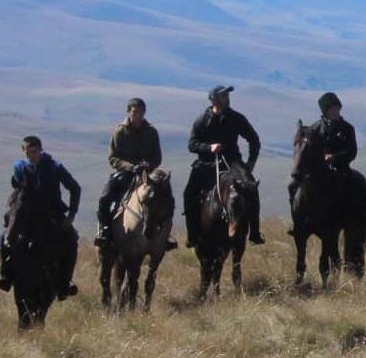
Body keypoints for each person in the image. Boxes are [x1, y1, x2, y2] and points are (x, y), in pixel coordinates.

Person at [0, 136, 81, 298]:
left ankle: (65, 282)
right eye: (27, 152)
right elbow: (18, 187)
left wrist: (71, 214)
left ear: (40, 150)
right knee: (5, 236)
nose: (31, 156)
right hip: (26, 211)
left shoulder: (54, 167)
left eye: (34, 152)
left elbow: (75, 188)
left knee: (71, 239)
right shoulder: (19, 167)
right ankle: (5, 275)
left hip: (51, 211)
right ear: (23, 151)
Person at [184, 85, 262, 248]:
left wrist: (249, 165)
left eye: (227, 95)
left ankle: (254, 232)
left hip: (232, 163)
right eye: (224, 95)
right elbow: (192, 144)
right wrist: (208, 148)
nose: (227, 98)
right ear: (214, 99)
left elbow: (254, 140)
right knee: (189, 193)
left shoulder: (236, 118)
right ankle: (192, 235)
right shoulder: (202, 120)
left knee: (251, 187)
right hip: (206, 164)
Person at [95, 97, 172, 251]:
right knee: (105, 197)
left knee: (165, 195)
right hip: (126, 173)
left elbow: (158, 156)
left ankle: (165, 235)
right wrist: (131, 166)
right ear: (128, 112)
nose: (138, 115)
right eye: (135, 112)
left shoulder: (151, 131)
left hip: (148, 173)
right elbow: (113, 158)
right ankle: (104, 231)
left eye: (141, 112)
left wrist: (148, 165)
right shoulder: (120, 132)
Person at [290, 91, 365, 216]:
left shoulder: (347, 128)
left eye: (337, 108)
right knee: (292, 186)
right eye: (332, 109)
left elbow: (352, 152)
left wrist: (335, 157)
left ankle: (352, 219)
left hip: (340, 168)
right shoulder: (314, 129)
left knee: (354, 186)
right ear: (325, 111)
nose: (335, 111)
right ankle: (297, 221)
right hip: (315, 169)